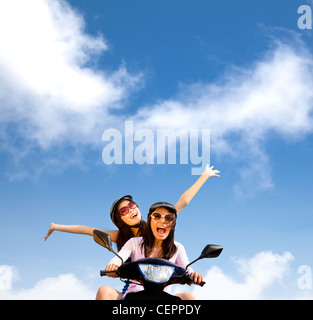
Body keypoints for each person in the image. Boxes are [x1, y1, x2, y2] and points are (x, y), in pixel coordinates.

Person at [44, 165, 220, 251]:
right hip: (134, 283)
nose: (131, 210)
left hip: (161, 279)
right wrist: (55, 227)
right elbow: (86, 230)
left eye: (132, 205)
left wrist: (204, 175)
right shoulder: (119, 236)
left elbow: (183, 202)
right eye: (124, 211)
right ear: (119, 220)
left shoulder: (156, 222)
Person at [97, 202, 203, 300]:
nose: (162, 221)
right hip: (133, 295)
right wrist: (113, 265)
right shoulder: (134, 242)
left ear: (173, 225)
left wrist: (194, 275)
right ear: (150, 221)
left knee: (189, 297)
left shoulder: (178, 247)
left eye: (168, 217)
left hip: (163, 298)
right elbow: (118, 258)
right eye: (157, 216)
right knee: (104, 291)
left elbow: (186, 268)